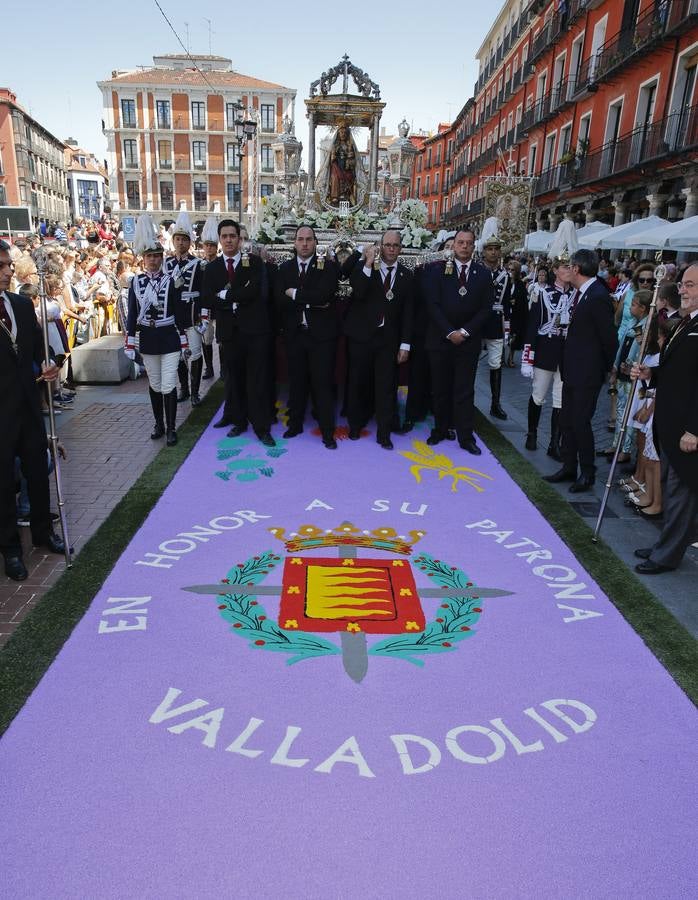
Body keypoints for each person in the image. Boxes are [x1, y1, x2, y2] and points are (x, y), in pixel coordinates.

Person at [0, 240, 68, 581]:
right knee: (4, 484)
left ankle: (43, 532)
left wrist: (49, 363)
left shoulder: (21, 305)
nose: (8, 271)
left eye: (8, 265)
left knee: (38, 473)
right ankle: (11, 549)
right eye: (1, 266)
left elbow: (40, 345)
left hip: (29, 407)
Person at [632, 264, 698, 574]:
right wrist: (651, 374)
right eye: (684, 284)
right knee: (673, 490)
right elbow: (679, 372)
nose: (681, 290)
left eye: (689, 285)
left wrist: (694, 430)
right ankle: (665, 545)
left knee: (680, 493)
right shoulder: (687, 322)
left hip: (686, 428)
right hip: (670, 424)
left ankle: (667, 554)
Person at [544, 248, 618, 492]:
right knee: (567, 421)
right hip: (573, 369)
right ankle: (568, 466)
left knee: (580, 422)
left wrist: (608, 369)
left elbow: (609, 339)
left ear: (576, 269)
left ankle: (587, 472)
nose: (565, 271)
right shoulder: (581, 294)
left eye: (568, 267)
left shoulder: (597, 295)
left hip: (587, 372)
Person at [202, 219, 275, 446]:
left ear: (239, 238)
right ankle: (239, 421)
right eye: (224, 236)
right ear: (220, 239)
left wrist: (226, 296)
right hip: (229, 333)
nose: (229, 240)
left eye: (233, 236)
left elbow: (254, 292)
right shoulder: (212, 267)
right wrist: (234, 299)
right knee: (235, 379)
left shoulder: (252, 262)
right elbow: (207, 298)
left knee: (257, 380)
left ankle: (261, 427)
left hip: (254, 331)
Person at [424, 228, 494, 455]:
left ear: (474, 247)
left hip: (468, 342)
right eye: (460, 243)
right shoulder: (437, 271)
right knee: (439, 388)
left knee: (465, 390)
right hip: (441, 340)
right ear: (453, 246)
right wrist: (449, 332)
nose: (464, 246)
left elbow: (486, 309)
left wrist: (464, 332)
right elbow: (432, 306)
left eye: (469, 243)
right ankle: (440, 429)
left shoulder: (483, 274)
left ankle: (465, 436)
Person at [345, 230, 413, 449]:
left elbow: (408, 313)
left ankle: (384, 432)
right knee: (358, 383)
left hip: (388, 340)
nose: (391, 249)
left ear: (400, 248)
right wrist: (367, 261)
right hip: (362, 337)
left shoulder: (406, 275)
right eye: (387, 245)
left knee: (386, 387)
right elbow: (359, 290)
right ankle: (355, 425)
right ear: (380, 246)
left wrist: (405, 344)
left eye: (395, 245)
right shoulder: (365, 267)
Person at [124, 216, 187, 447]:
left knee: (169, 384)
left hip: (169, 337)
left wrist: (183, 339)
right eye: (149, 256)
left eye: (156, 256)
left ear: (162, 258)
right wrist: (129, 342)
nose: (153, 260)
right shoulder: (135, 282)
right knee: (155, 384)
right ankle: (158, 423)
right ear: (143, 259)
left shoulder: (172, 281)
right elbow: (132, 314)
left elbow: (179, 313)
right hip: (148, 339)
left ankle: (171, 428)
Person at [276, 225, 340, 449]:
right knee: (297, 383)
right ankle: (295, 424)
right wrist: (313, 300)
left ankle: (327, 431)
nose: (304, 243)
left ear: (315, 242)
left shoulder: (329, 267)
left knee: (322, 384)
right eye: (300, 239)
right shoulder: (283, 269)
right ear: (294, 243)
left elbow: (325, 294)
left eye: (309, 239)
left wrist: (294, 293)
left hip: (321, 337)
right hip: (295, 335)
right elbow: (279, 300)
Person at [521, 253, 574, 458]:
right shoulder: (543, 294)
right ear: (555, 271)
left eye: (570, 266)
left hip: (566, 353)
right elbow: (532, 327)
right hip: (545, 350)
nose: (568, 270)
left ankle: (555, 443)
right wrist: (527, 358)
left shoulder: (576, 296)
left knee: (560, 400)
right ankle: (532, 433)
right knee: (538, 395)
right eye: (564, 267)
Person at [165, 210, 206, 406]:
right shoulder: (167, 264)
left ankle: (195, 392)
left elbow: (204, 293)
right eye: (178, 239)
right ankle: (184, 388)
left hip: (193, 315)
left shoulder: (198, 264)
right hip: (175, 317)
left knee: (196, 353)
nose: (181, 243)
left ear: (190, 243)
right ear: (173, 241)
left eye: (184, 239)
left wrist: (203, 316)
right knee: (179, 355)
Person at [479, 218, 510, 420]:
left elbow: (506, 305)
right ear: (484, 251)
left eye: (496, 249)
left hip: (496, 323)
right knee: (469, 362)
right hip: (476, 322)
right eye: (489, 249)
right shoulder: (476, 270)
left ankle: (495, 403)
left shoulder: (505, 276)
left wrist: (508, 329)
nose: (493, 252)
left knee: (495, 365)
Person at [199, 215, 220, 380]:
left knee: (220, 339)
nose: (209, 248)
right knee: (205, 339)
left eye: (212, 246)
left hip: (218, 308)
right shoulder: (199, 265)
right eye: (207, 245)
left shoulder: (220, 264)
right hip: (204, 309)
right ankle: (209, 367)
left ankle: (223, 368)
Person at [328, 123, 356, 205]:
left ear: (347, 134)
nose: (343, 134)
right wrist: (333, 155)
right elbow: (332, 158)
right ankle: (335, 196)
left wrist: (350, 158)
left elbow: (353, 159)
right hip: (336, 165)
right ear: (338, 134)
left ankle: (345, 194)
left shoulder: (349, 145)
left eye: (345, 133)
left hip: (346, 167)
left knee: (350, 176)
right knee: (334, 177)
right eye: (341, 132)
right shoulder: (335, 145)